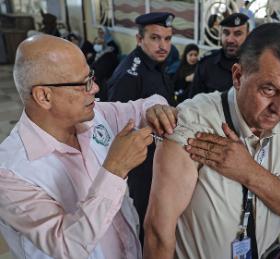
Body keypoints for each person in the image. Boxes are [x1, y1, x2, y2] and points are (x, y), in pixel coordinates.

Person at [143, 23, 280, 259]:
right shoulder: (194, 122)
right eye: (269, 90)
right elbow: (158, 233)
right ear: (238, 76)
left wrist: (249, 171)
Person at [0, 34, 176, 258]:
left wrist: (156, 110)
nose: (94, 88)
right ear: (44, 96)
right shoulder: (11, 173)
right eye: (83, 83)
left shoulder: (95, 117)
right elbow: (66, 245)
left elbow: (147, 105)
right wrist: (115, 169)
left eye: (90, 76)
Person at [106, 12, 176, 244]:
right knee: (148, 218)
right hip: (143, 165)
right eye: (155, 38)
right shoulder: (130, 74)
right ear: (139, 39)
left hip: (159, 158)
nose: (163, 45)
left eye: (167, 39)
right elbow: (118, 128)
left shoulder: (156, 65)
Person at [189, 13, 249, 98]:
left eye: (237, 34)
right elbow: (192, 104)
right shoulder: (207, 64)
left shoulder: (255, 66)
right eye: (226, 33)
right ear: (221, 34)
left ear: (248, 35)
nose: (230, 40)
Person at [91, 26, 120, 101]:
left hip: (105, 75)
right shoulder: (98, 48)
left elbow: (102, 70)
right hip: (97, 72)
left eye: (102, 32)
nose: (100, 34)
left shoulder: (110, 48)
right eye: (99, 32)